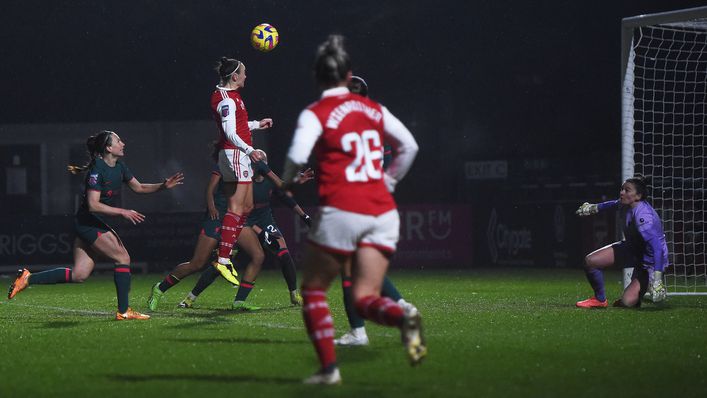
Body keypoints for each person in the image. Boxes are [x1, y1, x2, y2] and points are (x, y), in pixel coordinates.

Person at [280, 35, 423, 385]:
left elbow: (298, 155)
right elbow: (410, 146)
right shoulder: (374, 109)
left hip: (343, 210)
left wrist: (286, 180)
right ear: (348, 75)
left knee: (313, 290)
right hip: (383, 212)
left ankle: (329, 371)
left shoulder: (317, 112)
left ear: (318, 77)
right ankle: (402, 318)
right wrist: (388, 182)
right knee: (363, 296)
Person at [7, 130, 184, 320]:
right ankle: (123, 311)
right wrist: (123, 212)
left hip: (88, 222)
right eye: (118, 141)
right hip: (87, 222)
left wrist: (163, 186)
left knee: (79, 274)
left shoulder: (120, 166)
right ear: (109, 148)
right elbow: (93, 205)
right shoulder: (97, 170)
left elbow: (139, 187)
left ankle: (27, 278)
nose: (123, 143)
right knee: (123, 258)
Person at [335, 75, 417, 347]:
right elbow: (409, 147)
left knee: (349, 268)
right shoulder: (378, 117)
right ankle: (403, 306)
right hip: (377, 202)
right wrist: (389, 181)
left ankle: (358, 332)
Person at [178, 153, 314, 310]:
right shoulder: (243, 182)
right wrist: (259, 233)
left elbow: (286, 198)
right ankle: (191, 297)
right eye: (254, 161)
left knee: (283, 253)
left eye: (260, 162)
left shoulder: (269, 181)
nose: (256, 164)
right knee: (224, 262)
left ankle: (293, 294)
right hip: (244, 223)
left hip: (265, 220)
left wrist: (304, 216)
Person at [210, 56, 272, 285]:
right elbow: (229, 133)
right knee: (237, 206)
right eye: (243, 73)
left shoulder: (231, 96)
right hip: (236, 154)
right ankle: (224, 258)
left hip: (236, 153)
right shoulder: (227, 100)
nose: (246, 76)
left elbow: (237, 126)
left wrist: (256, 124)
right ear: (234, 76)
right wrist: (250, 150)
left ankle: (226, 252)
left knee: (246, 206)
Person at [575, 175, 668, 308]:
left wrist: (657, 279)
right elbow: (611, 204)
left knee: (627, 302)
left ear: (638, 196)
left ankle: (645, 285)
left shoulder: (644, 217)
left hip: (650, 262)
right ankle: (599, 300)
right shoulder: (625, 204)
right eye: (622, 189)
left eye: (627, 190)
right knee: (591, 261)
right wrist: (593, 208)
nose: (622, 192)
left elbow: (657, 249)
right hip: (631, 249)